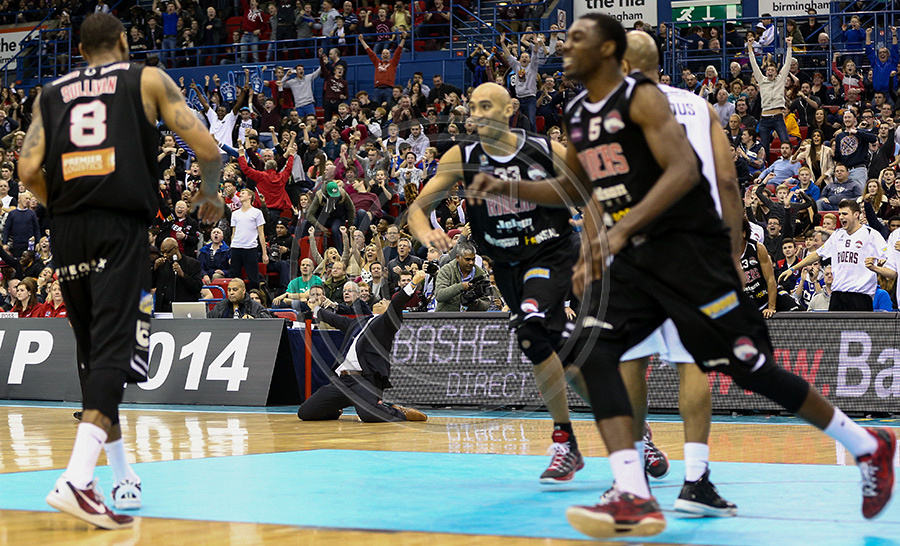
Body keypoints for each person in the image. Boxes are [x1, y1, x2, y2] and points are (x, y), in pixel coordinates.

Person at [471, 14, 895, 538]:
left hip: (691, 257)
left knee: (751, 369)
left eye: (577, 38)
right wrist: (509, 190)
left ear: (609, 51)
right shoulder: (579, 112)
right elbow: (573, 187)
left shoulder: (644, 100)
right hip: (635, 265)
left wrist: (624, 234)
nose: (565, 45)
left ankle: (868, 445)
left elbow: (688, 173)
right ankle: (632, 493)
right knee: (594, 349)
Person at [20, 12, 223, 529]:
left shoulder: (50, 92)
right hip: (120, 231)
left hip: (66, 233)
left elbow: (26, 171)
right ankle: (75, 478)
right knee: (117, 354)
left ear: (82, 48)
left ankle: (122, 476)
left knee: (96, 362)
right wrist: (210, 194)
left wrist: (61, 205)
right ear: (124, 41)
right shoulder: (146, 78)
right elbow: (207, 147)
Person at [410, 81, 592, 484]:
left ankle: (563, 442)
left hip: (551, 252)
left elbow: (589, 188)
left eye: (486, 105)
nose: (477, 113)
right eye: (472, 106)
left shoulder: (543, 150)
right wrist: (426, 234)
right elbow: (418, 209)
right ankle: (632, 429)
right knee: (557, 349)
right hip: (508, 266)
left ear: (511, 108)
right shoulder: (462, 157)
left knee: (529, 325)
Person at [614, 30, 738, 515]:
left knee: (631, 362)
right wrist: (730, 253)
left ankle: (630, 480)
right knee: (693, 362)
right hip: (693, 247)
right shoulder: (698, 105)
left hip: (635, 247)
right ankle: (695, 481)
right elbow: (727, 179)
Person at [297, 270, 428, 422]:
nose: (381, 301)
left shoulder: (386, 323)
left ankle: (400, 413)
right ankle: (334, 408)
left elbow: (397, 303)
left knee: (369, 416)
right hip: (343, 380)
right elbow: (335, 319)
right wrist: (316, 310)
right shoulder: (359, 322)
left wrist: (413, 283)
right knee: (305, 413)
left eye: (385, 302)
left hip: (364, 381)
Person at [779, 200, 887, 311]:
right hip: (837, 295)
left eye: (845, 214)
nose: (841, 217)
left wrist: (879, 264)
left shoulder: (871, 234)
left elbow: (886, 257)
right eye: (839, 214)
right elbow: (817, 254)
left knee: (858, 328)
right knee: (835, 328)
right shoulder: (837, 235)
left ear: (856, 215)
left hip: (860, 295)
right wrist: (792, 268)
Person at [747, 35, 794, 161]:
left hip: (778, 117)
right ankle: (766, 169)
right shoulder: (761, 80)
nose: (770, 72)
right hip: (765, 119)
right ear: (766, 72)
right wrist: (750, 47)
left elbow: (788, 63)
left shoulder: (781, 79)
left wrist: (789, 46)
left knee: (785, 142)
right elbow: (753, 64)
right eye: (768, 70)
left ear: (776, 71)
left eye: (773, 70)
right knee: (764, 148)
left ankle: (788, 165)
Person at [152, 236, 204, 312]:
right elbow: (151, 285)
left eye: (167, 252)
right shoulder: (161, 264)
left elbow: (197, 287)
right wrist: (154, 269)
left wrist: (183, 275)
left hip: (184, 309)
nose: (165, 255)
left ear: (176, 248)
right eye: (162, 252)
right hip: (163, 309)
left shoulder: (193, 264)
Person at [229, 188, 269, 288]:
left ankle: (253, 299)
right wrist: (231, 252)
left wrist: (264, 253)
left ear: (250, 196)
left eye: (243, 193)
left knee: (253, 278)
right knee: (235, 278)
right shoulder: (235, 214)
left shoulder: (257, 213)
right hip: (236, 247)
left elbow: (261, 233)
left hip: (250, 248)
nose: (240, 195)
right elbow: (233, 233)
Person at [207, 278, 274, 318]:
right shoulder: (220, 306)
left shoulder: (255, 306)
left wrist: (254, 319)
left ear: (243, 291)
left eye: (235, 289)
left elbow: (268, 321)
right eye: (229, 290)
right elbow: (209, 320)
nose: (231, 292)